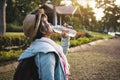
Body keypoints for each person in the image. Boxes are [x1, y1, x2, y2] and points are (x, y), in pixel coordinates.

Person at [18, 9, 70, 80]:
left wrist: (65, 39)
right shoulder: (46, 53)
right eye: (45, 22)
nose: (50, 24)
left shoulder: (41, 45)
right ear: (41, 30)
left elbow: (60, 57)